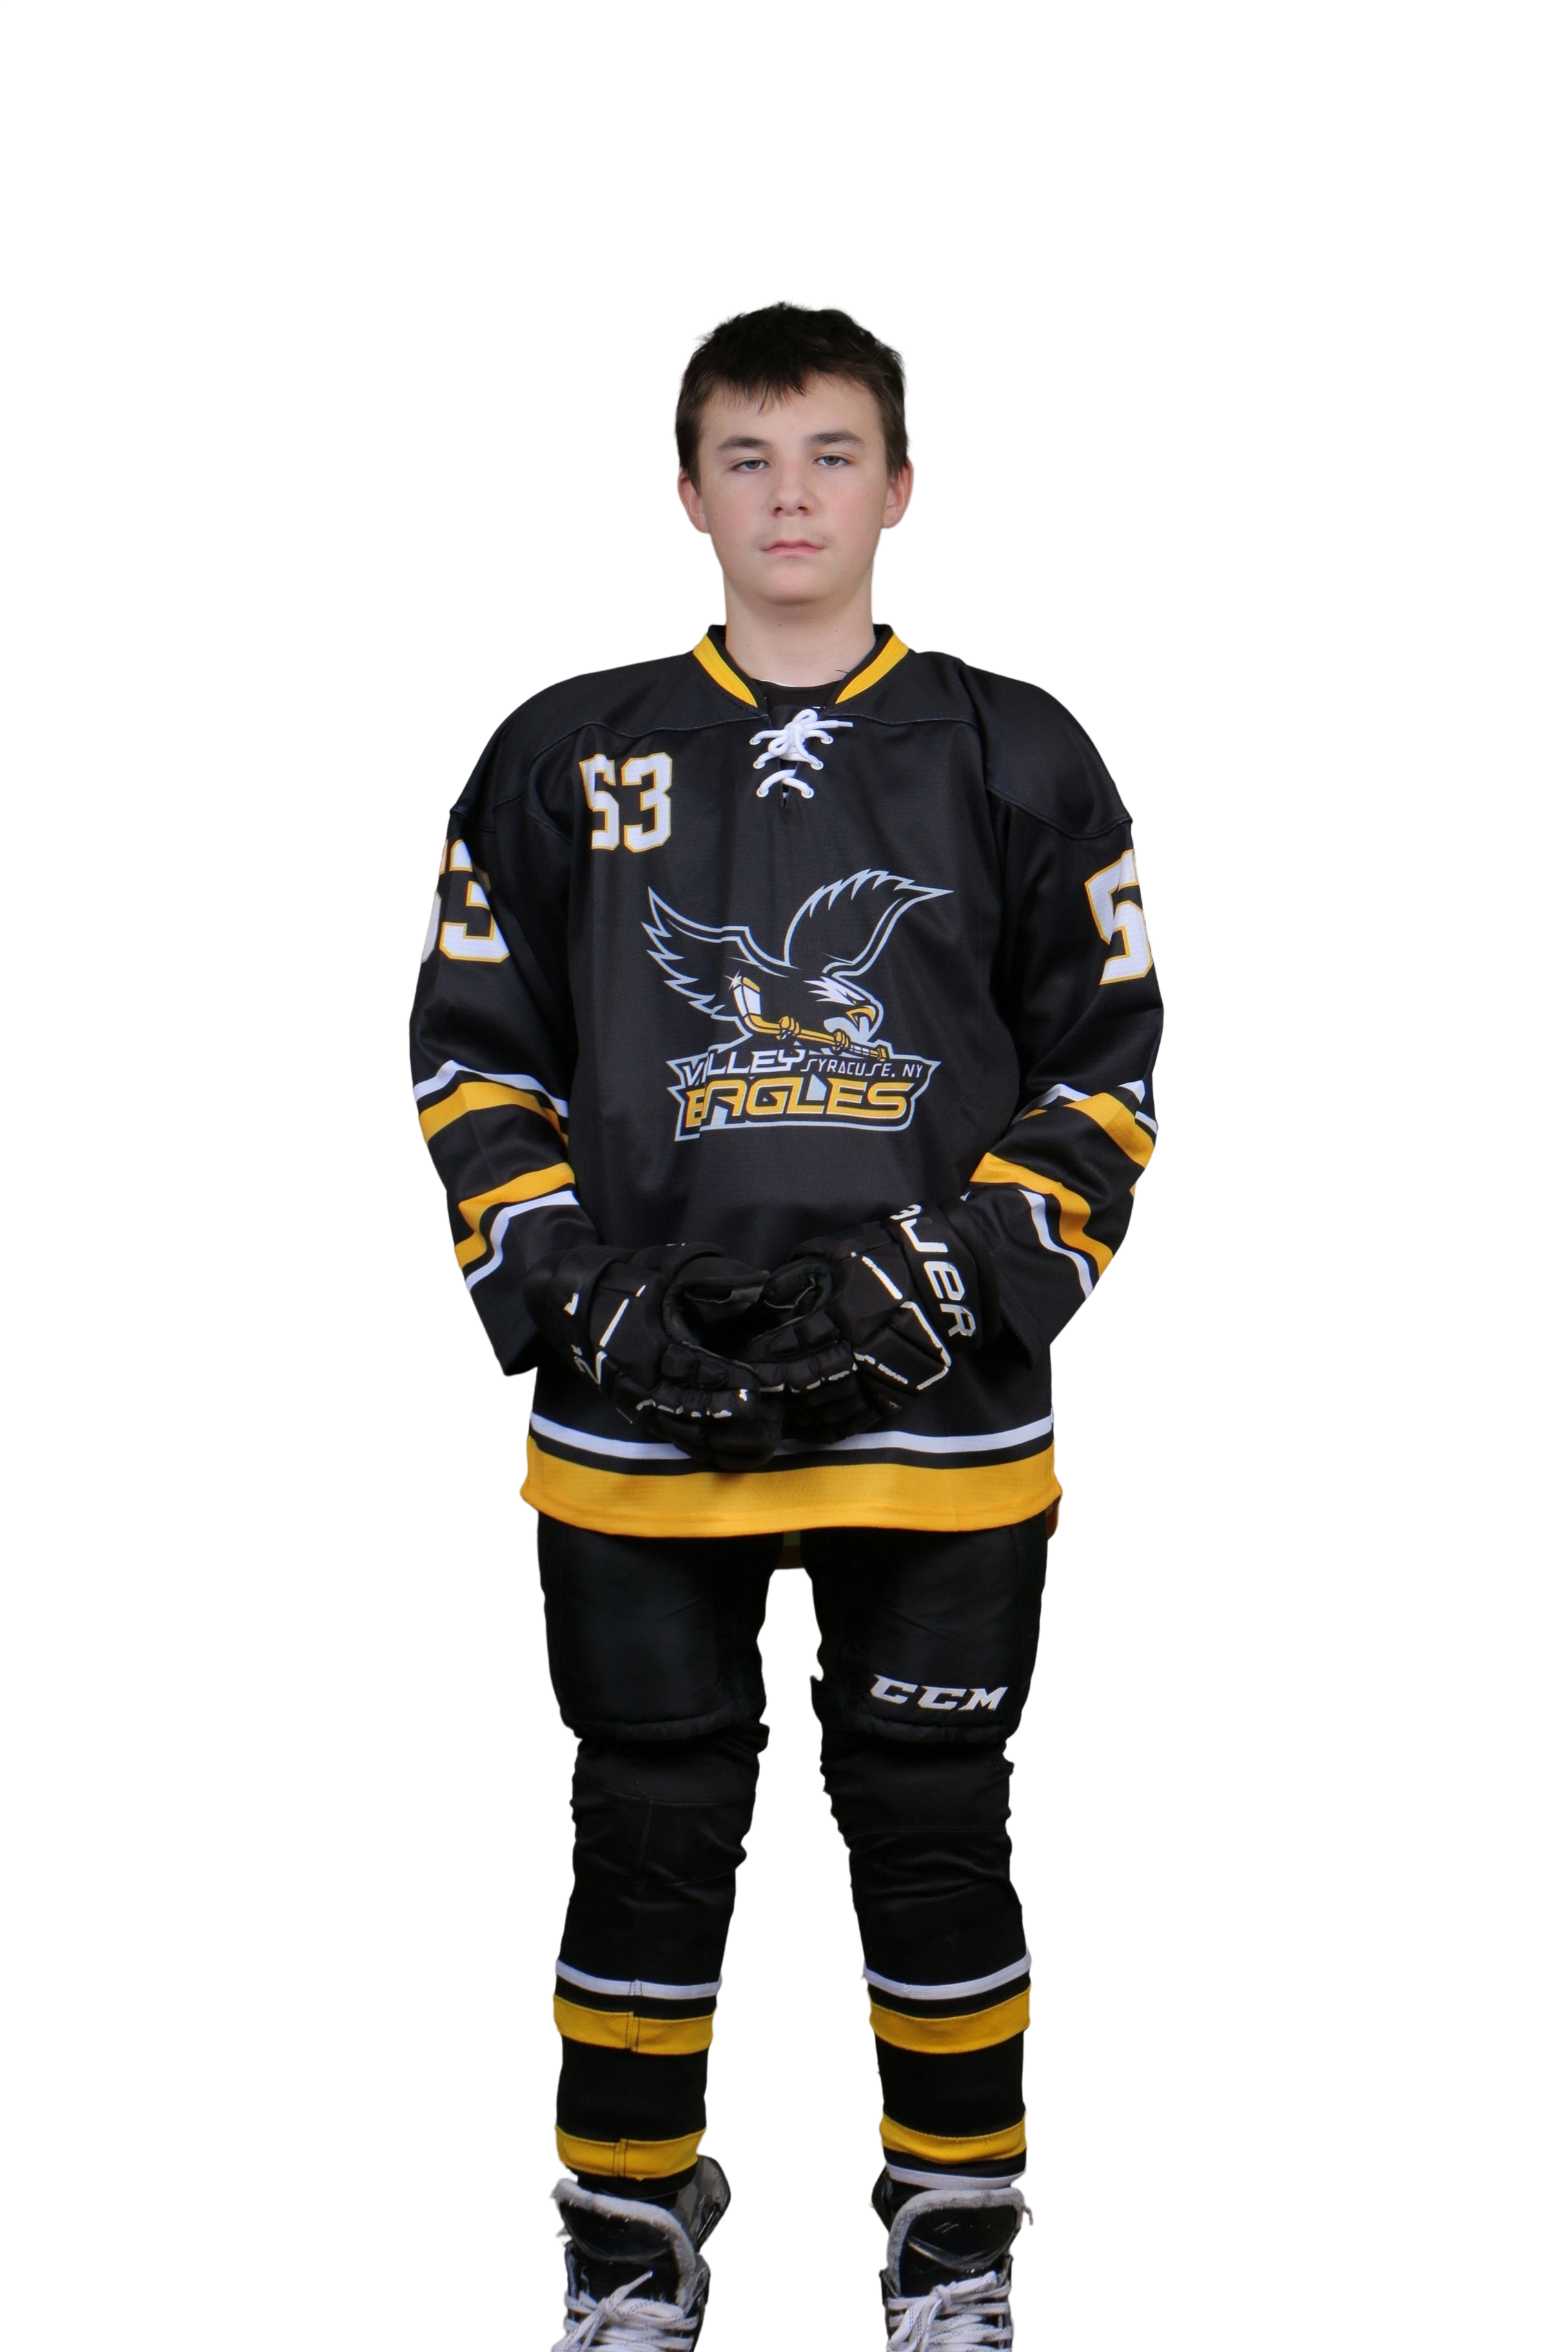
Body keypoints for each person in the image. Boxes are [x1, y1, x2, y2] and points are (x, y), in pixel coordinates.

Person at [407, 295, 1164, 2349]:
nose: (791, 496)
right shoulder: (565, 753)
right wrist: (573, 1286)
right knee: (647, 1837)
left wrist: (961, 1275)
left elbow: (1107, 1067)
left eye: (832, 454)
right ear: (688, 494)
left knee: (934, 1828)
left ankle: (952, 2247)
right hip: (635, 1436)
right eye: (746, 459)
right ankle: (629, 2250)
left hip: (945, 1434)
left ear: (904, 487)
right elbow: (473, 1055)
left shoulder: (1020, 749)